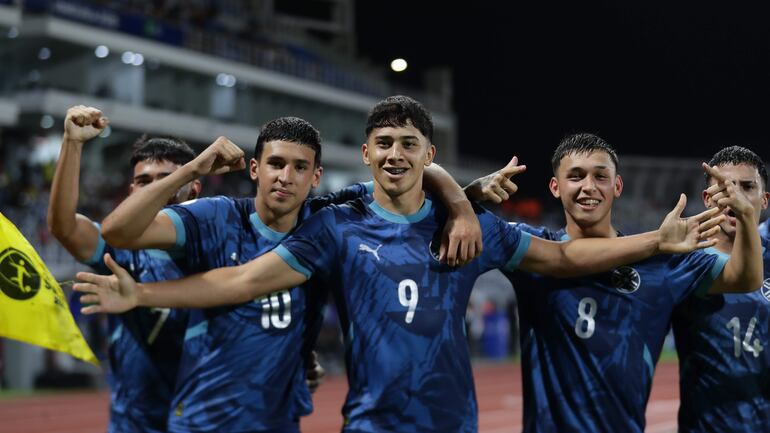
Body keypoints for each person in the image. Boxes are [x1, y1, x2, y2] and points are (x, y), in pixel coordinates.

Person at [75, 96, 724, 433]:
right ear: (364, 153)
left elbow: (561, 254)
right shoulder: (335, 224)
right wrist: (145, 297)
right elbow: (240, 279)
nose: (393, 153)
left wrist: (651, 242)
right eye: (383, 143)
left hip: (450, 423)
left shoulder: (469, 227)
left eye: (408, 144)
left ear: (428, 152)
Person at [75, 112, 482, 433]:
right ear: (255, 169)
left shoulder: (327, 222)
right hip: (206, 416)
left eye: (299, 168)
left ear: (315, 177)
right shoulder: (214, 216)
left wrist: (464, 202)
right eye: (275, 164)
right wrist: (192, 170)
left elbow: (406, 171)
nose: (285, 177)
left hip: (279, 418)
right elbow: (117, 231)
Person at [465, 133, 763, 433]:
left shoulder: (663, 262)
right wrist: (465, 195)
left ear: (617, 186)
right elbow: (449, 218)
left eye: (600, 176)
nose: (588, 187)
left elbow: (745, 277)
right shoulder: (532, 249)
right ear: (555, 187)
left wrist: (747, 216)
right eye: (576, 176)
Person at [47, 105, 200, 433]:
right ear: (131, 192)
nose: (154, 190)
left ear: (194, 188)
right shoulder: (117, 250)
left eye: (167, 180)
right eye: (143, 182)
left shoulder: (221, 246)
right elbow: (64, 227)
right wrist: (72, 144)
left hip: (206, 421)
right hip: (134, 425)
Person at [671, 146, 770, 432]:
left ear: (764, 201)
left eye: (746, 187)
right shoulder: (681, 265)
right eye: (724, 187)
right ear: (707, 199)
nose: (734, 197)